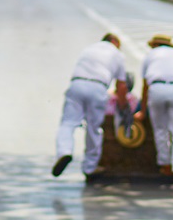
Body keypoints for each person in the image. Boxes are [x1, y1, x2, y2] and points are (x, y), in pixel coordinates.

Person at [53, 34, 129, 179]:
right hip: (98, 87)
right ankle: (90, 167)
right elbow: (121, 85)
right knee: (94, 128)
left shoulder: (89, 49)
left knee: (68, 123)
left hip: (77, 83)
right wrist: (123, 107)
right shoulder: (118, 54)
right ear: (115, 42)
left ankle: (64, 152)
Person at [135, 35, 173, 189]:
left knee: (160, 129)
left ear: (154, 45)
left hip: (157, 89)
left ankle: (165, 166)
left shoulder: (150, 56)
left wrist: (142, 110)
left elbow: (145, 85)